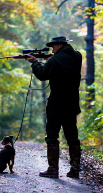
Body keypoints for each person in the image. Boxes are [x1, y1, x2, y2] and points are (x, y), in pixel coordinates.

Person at [25, 36, 82, 178]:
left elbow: (42, 75)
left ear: (60, 45)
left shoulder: (54, 60)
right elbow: (63, 64)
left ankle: (53, 170)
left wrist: (35, 63)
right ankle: (75, 170)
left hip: (57, 103)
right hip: (72, 102)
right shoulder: (77, 56)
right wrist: (50, 58)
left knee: (52, 137)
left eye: (54, 47)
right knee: (72, 137)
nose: (52, 49)